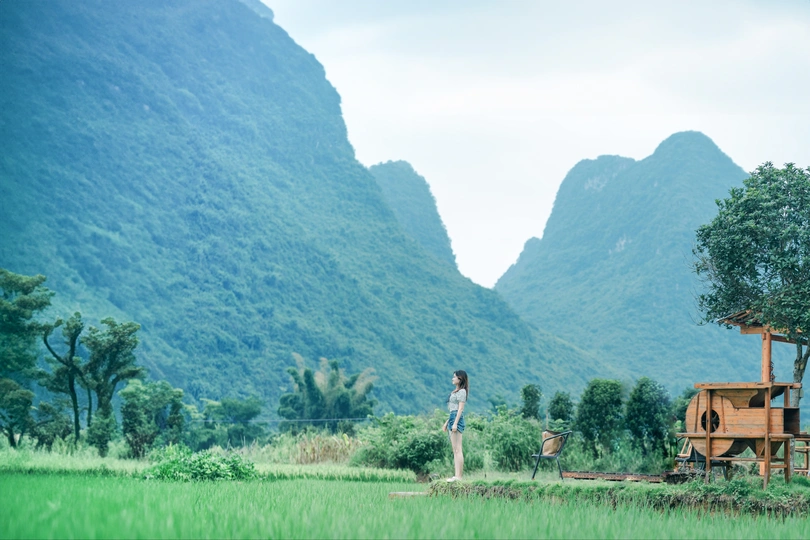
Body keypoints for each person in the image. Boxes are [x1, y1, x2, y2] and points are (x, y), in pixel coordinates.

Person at [442, 370, 468, 482]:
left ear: (460, 379)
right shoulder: (455, 391)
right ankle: (456, 475)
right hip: (452, 417)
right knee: (455, 449)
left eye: (454, 377)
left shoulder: (462, 391)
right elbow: (453, 409)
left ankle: (459, 476)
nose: (452, 379)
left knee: (458, 449)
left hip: (456, 419)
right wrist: (447, 422)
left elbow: (460, 409)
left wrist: (455, 423)